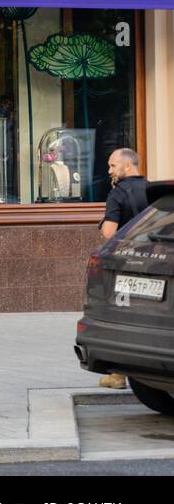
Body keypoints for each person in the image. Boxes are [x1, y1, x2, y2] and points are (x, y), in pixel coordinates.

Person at [97, 148, 149, 389]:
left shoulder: (117, 193)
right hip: (154, 263)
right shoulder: (153, 189)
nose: (110, 171)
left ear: (127, 167)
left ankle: (118, 375)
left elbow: (109, 233)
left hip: (126, 265)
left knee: (119, 315)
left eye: (113, 166)